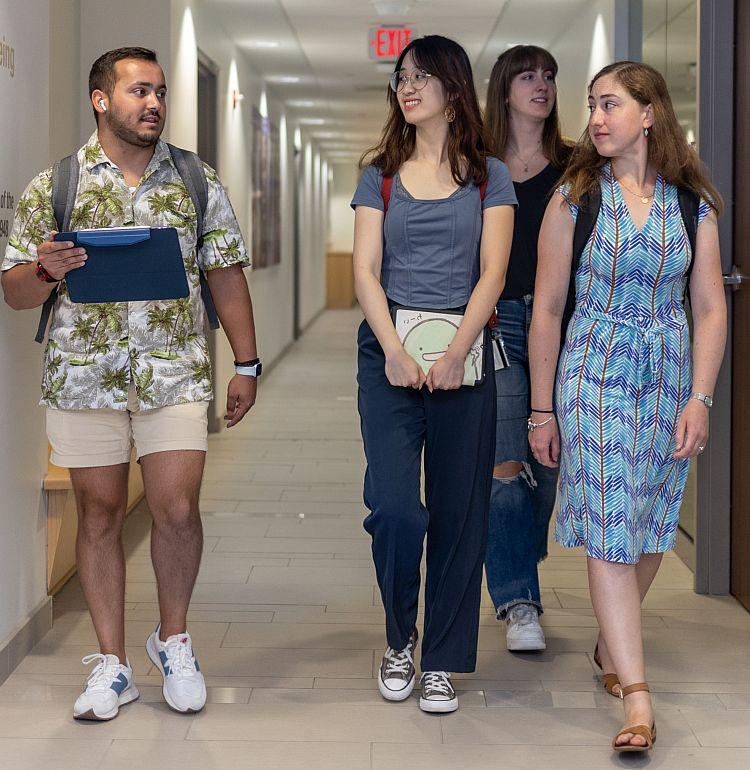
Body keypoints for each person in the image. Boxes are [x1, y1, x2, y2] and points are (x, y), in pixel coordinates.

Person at [1, 47, 261, 721]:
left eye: (161, 91)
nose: (154, 103)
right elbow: (15, 293)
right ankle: (113, 665)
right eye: (139, 90)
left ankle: (173, 640)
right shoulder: (54, 184)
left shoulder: (195, 181)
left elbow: (226, 272)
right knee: (100, 515)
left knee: (177, 510)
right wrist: (46, 270)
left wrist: (248, 362)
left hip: (174, 372)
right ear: (101, 99)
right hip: (83, 379)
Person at [529, 61, 726, 752]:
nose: (597, 118)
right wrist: (541, 409)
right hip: (594, 374)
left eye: (610, 104)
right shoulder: (575, 199)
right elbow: (548, 310)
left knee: (648, 526)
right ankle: (638, 700)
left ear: (650, 113)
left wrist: (700, 397)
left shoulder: (691, 204)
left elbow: (708, 305)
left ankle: (612, 648)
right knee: (614, 522)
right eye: (592, 106)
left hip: (669, 378)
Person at [352, 34, 516, 714]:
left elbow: (494, 272)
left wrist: (456, 353)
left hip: (464, 351)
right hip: (388, 349)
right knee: (394, 508)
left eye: (421, 76)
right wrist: (392, 347)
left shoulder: (489, 176)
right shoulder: (379, 173)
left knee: (459, 511)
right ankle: (399, 639)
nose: (406, 87)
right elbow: (364, 270)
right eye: (400, 77)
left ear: (454, 87)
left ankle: (442, 660)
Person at [482, 45, 572, 652]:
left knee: (551, 461)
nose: (540, 86)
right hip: (497, 325)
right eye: (527, 77)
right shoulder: (477, 165)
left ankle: (517, 554)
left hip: (572, 327)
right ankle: (519, 601)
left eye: (548, 77)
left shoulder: (578, 166)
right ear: (504, 89)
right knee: (506, 463)